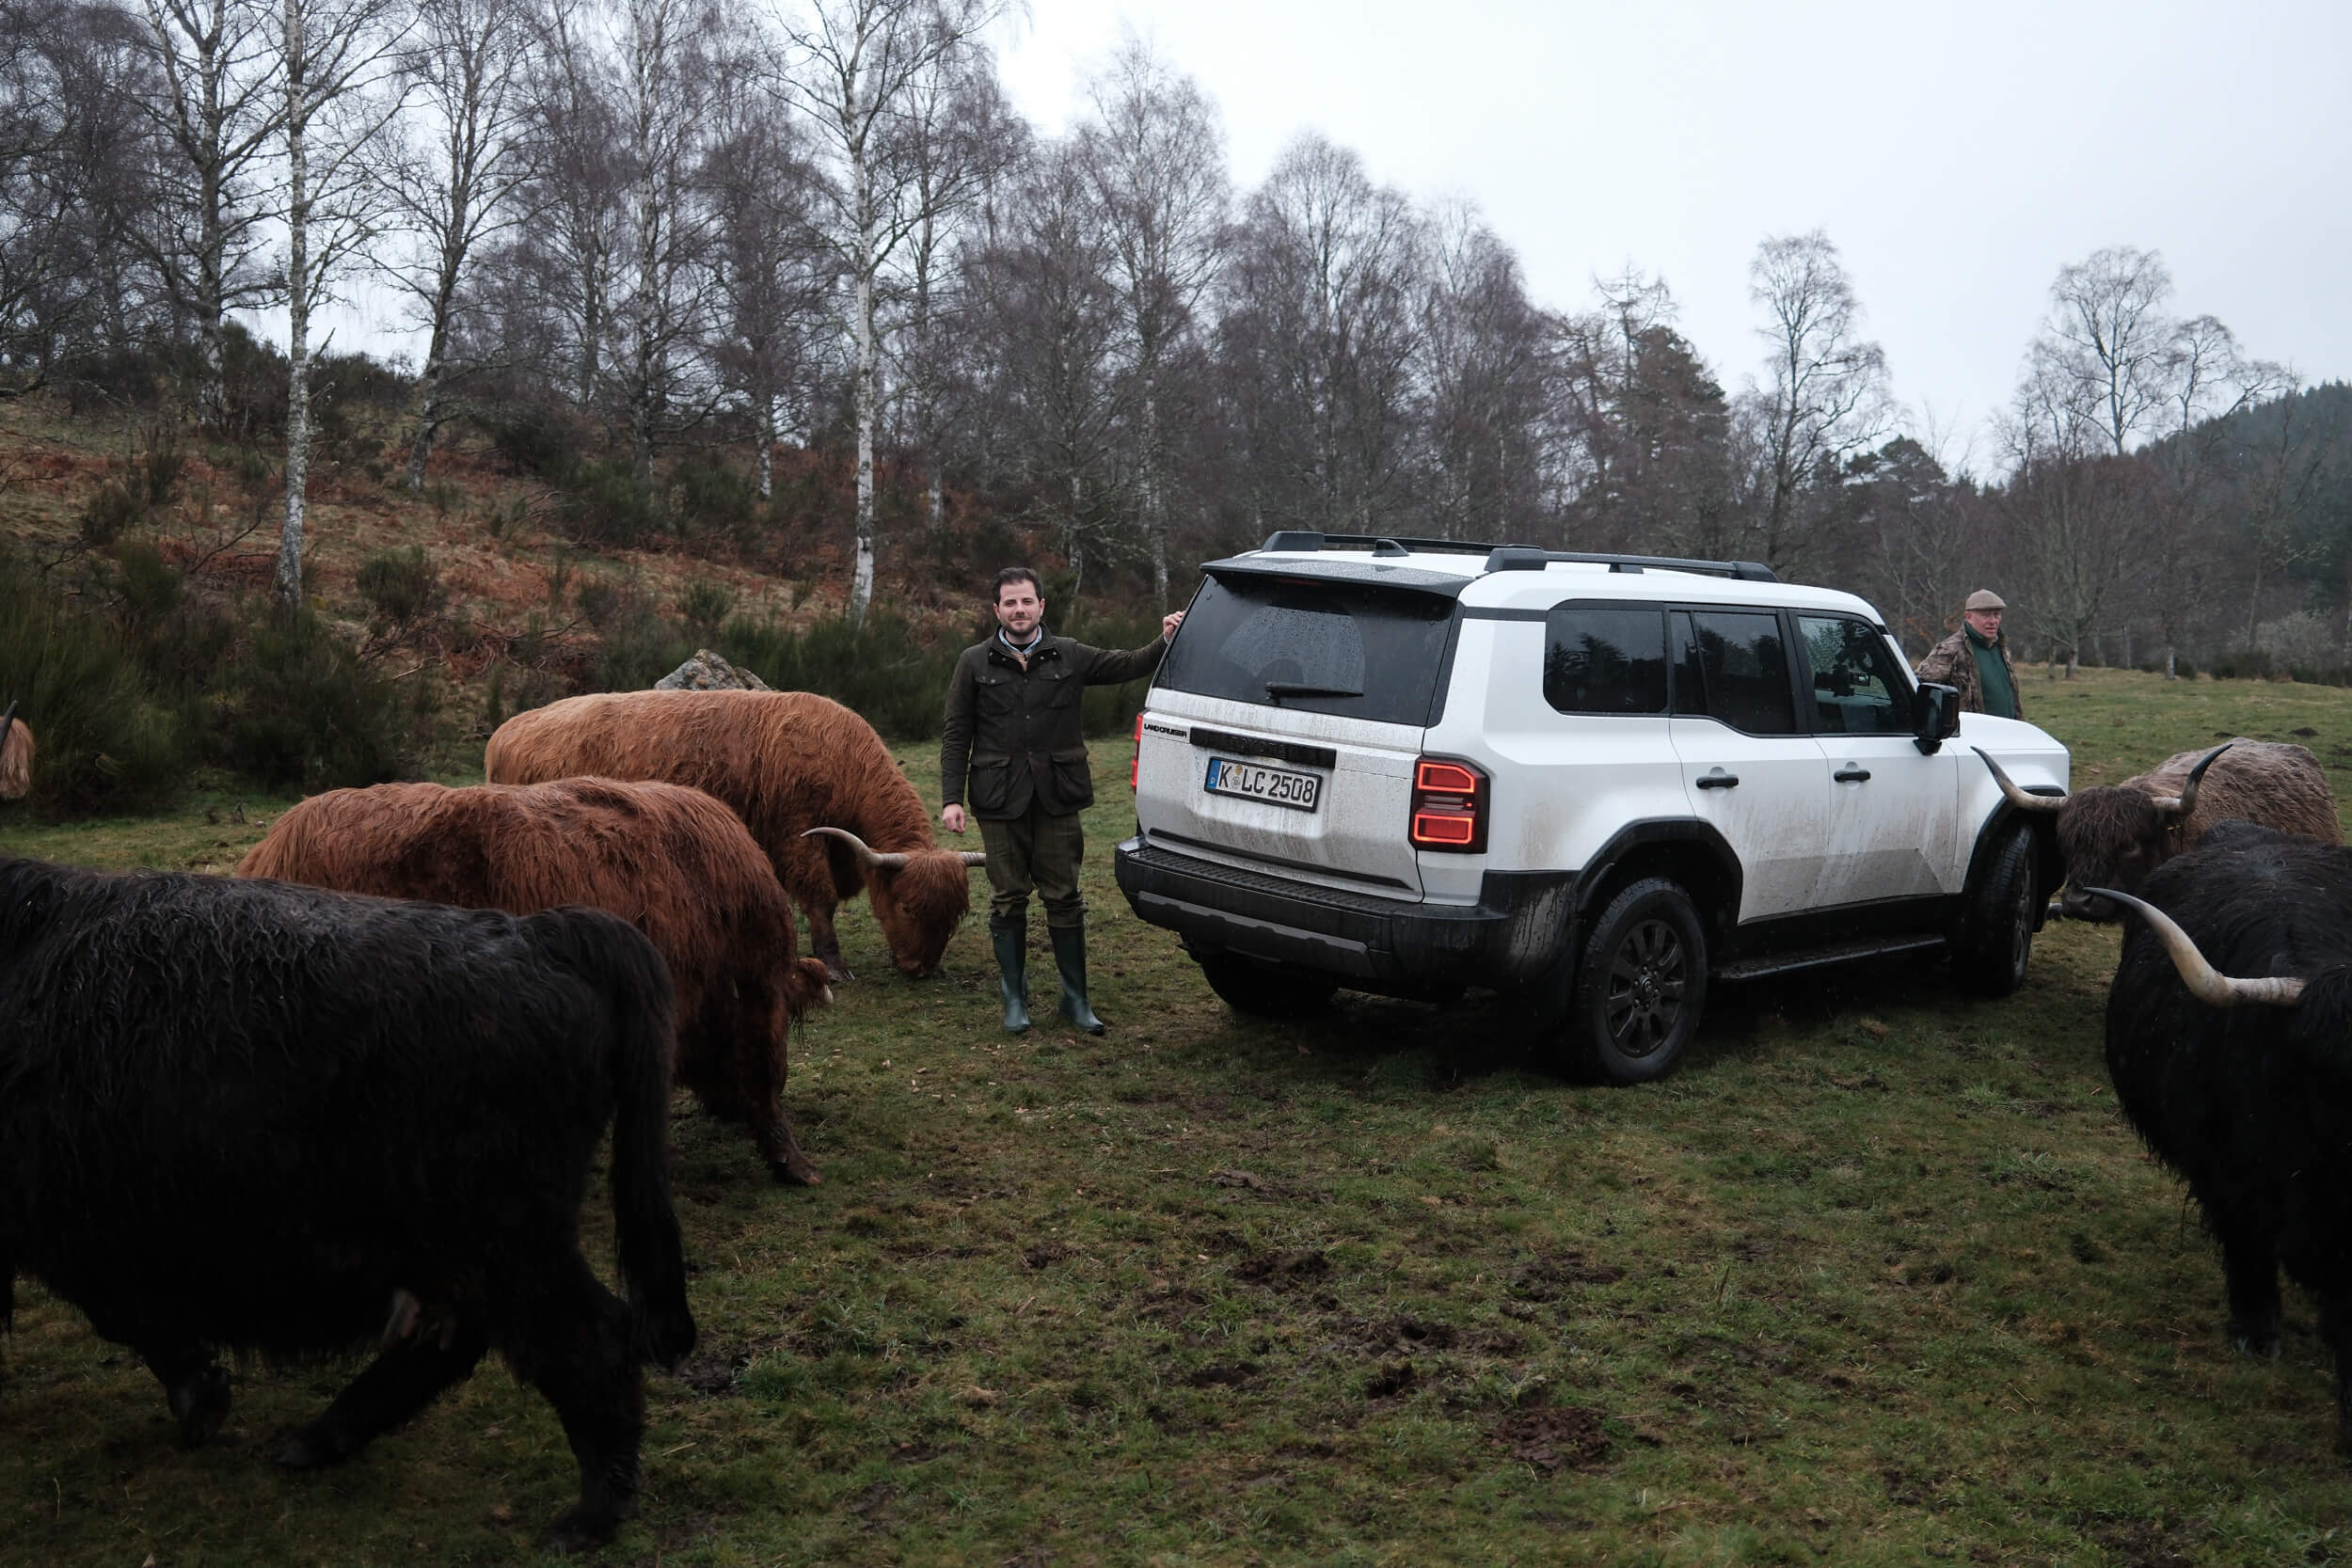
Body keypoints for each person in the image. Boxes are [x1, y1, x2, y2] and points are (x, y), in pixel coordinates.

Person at [942, 568, 1184, 1035]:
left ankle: (1076, 1001)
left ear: (1041, 607)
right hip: (998, 799)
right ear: (996, 611)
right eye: (1009, 603)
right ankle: (1016, 1001)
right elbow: (957, 736)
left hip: (1057, 796)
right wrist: (952, 798)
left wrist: (1165, 639)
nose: (1019, 610)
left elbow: (1128, 663)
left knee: (1065, 898)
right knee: (1008, 899)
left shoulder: (1069, 654)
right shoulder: (973, 663)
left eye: (1027, 602)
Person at [1915, 589, 2024, 720]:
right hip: (1972, 735)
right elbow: (1919, 689)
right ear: (1968, 617)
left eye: (1997, 615)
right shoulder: (1950, 650)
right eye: (1986, 615)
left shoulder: (2002, 649)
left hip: (2009, 732)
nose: (1993, 621)